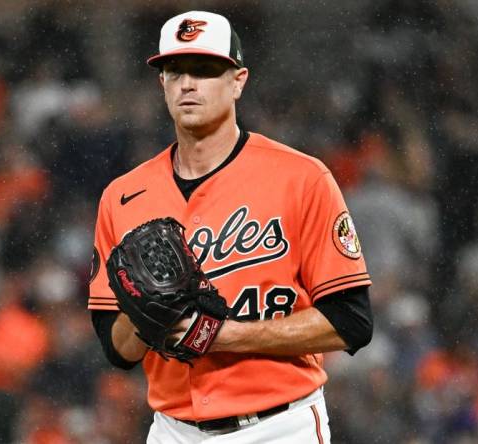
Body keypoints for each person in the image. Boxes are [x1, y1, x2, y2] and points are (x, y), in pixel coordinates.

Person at [89, 10, 373, 443]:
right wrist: (146, 313)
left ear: (238, 81)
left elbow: (351, 322)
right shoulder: (122, 196)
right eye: (175, 70)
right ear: (161, 83)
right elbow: (118, 351)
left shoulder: (302, 178)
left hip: (279, 426)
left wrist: (224, 336)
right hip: (174, 431)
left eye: (204, 70)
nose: (187, 83)